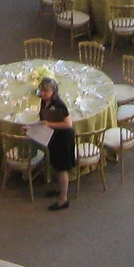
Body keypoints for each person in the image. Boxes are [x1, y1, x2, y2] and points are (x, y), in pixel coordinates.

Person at [36, 76, 74, 211]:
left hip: (63, 139)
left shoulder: (59, 104)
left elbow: (68, 124)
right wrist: (31, 128)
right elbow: (43, 120)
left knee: (62, 168)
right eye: (41, 90)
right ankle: (59, 189)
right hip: (53, 137)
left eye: (46, 91)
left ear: (53, 91)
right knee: (56, 166)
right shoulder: (44, 101)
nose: (42, 93)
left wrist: (49, 124)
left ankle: (63, 199)